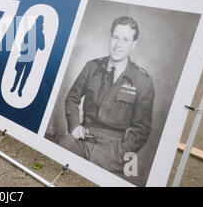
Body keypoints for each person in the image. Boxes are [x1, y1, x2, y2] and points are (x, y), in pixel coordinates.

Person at [58, 16, 154, 175]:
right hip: (82, 138)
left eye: (125, 40)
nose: (118, 45)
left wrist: (122, 153)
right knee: (57, 156)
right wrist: (74, 126)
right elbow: (72, 99)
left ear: (133, 45)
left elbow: (142, 129)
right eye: (115, 37)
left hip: (112, 152)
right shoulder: (91, 67)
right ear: (110, 38)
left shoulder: (143, 82)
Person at [10, 16, 45, 97]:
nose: (39, 24)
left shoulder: (40, 35)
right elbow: (23, 43)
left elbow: (42, 47)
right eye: (38, 22)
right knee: (19, 74)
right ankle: (14, 87)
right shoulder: (29, 32)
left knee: (25, 76)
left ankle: (20, 90)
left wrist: (39, 39)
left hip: (31, 59)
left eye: (40, 22)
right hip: (25, 56)